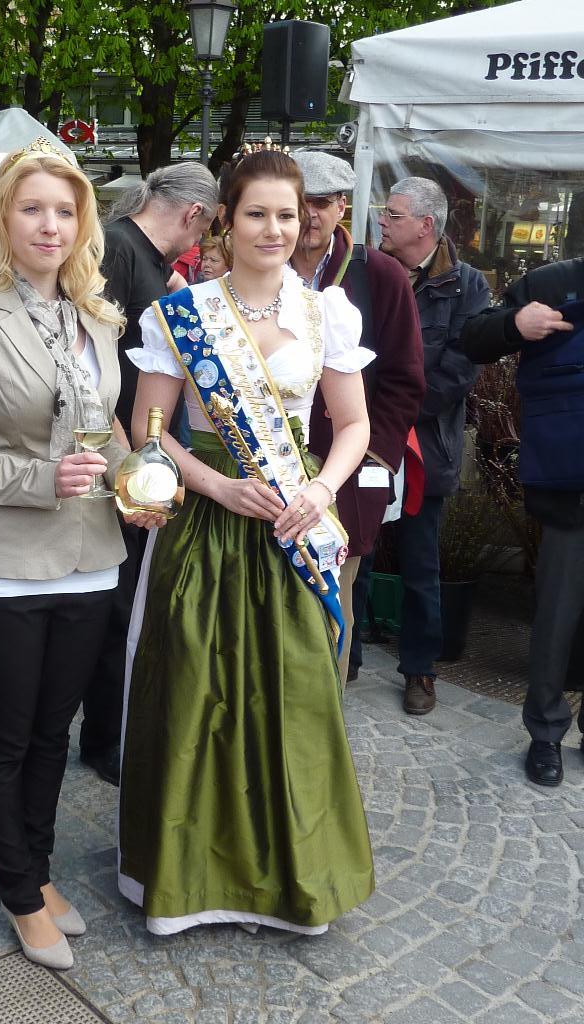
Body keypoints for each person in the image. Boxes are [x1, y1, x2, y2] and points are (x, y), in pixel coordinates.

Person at [0, 140, 163, 969]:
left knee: (56, 730)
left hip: (92, 554)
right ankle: (18, 892)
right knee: (7, 735)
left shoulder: (97, 311)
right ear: (0, 217)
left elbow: (111, 426)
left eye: (64, 210)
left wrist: (138, 480)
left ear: (83, 220)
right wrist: (39, 478)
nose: (50, 225)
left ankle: (39, 871)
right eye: (32, 209)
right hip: (1, 562)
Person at [119, 150, 375, 935]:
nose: (274, 228)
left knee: (297, 692)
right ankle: (185, 880)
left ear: (309, 222)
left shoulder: (327, 311)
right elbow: (148, 430)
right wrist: (218, 486)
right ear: (225, 217)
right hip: (207, 522)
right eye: (257, 212)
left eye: (288, 214)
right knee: (195, 683)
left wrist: (322, 489)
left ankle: (295, 880)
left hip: (293, 520)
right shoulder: (178, 316)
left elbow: (355, 425)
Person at [76, 163, 219, 787]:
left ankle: (112, 727)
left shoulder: (141, 257)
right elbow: (91, 370)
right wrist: (125, 467)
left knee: (129, 599)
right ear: (195, 215)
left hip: (142, 453)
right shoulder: (116, 249)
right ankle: (102, 737)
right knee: (118, 603)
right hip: (120, 457)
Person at [290, 151, 425, 686]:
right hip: (263, 463)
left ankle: (318, 740)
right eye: (297, 203)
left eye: (320, 203)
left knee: (332, 605)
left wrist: (367, 455)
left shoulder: (382, 274)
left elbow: (404, 379)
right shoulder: (253, 270)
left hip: (344, 470)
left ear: (341, 206)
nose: (307, 216)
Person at [460, 258, 583, 786]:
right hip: (569, 485)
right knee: (557, 614)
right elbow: (474, 336)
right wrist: (516, 324)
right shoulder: (552, 283)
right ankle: (546, 734)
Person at [376, 177, 489, 715]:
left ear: (426, 225)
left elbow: (459, 372)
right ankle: (343, 653)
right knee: (350, 547)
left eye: (393, 215)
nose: (382, 221)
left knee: (422, 564)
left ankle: (420, 670)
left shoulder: (468, 286)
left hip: (424, 444)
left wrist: (395, 414)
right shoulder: (368, 273)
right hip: (367, 438)